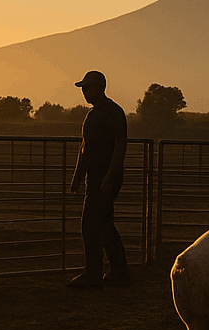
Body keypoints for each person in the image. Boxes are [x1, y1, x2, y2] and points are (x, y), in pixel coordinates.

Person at [66, 70, 130, 288]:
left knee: (91, 224)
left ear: (98, 88)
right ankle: (118, 270)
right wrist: (78, 176)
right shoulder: (95, 114)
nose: (84, 92)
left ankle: (94, 272)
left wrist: (109, 177)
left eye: (87, 88)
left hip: (104, 177)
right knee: (103, 223)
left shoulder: (111, 113)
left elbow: (120, 146)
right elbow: (86, 148)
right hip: (97, 177)